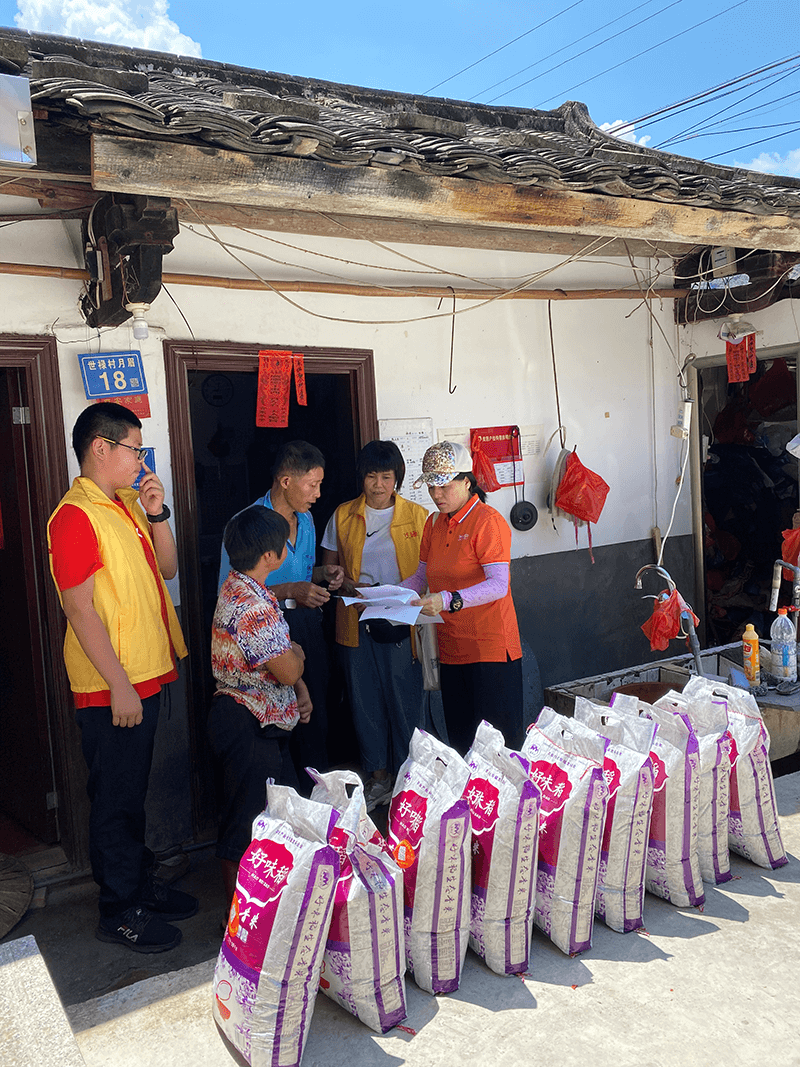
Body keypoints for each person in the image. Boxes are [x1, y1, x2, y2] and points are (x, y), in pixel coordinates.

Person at [47, 402, 196, 953]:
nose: (141, 460)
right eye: (134, 448)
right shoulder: (74, 517)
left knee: (133, 791)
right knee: (115, 798)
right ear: (101, 448)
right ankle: (118, 910)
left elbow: (168, 569)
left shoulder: (127, 505)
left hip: (146, 673)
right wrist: (119, 685)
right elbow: (79, 608)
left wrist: (157, 513)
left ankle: (139, 885)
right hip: (114, 684)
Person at [218, 441, 343, 791]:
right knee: (279, 723)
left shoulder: (307, 519)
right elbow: (231, 592)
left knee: (314, 714)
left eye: (320, 484)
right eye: (312, 485)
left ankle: (318, 799)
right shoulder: (248, 524)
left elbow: (302, 572)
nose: (318, 494)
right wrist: (290, 590)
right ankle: (289, 801)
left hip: (306, 627)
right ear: (286, 481)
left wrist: (322, 574)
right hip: (265, 634)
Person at [208, 505, 312, 912]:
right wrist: (298, 656)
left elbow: (282, 669)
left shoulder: (243, 587)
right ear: (271, 556)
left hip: (258, 718)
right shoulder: (251, 604)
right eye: (284, 544)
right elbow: (286, 668)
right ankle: (237, 916)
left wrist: (296, 678)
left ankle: (267, 907)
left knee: (274, 812)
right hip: (246, 721)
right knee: (246, 818)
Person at [321, 440, 429, 811]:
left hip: (401, 621)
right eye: (371, 476)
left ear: (397, 478)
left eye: (386, 477)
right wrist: (341, 581)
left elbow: (429, 570)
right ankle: (379, 778)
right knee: (365, 702)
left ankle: (409, 780)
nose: (379, 485)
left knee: (405, 700)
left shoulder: (418, 516)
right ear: (361, 478)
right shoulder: (343, 515)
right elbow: (329, 568)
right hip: (356, 620)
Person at [402, 440, 523, 755]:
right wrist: (387, 596)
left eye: (444, 486)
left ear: (467, 482)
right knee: (462, 745)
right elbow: (420, 578)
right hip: (451, 649)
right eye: (431, 487)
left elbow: (498, 585)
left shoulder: (488, 521)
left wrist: (446, 600)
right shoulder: (434, 524)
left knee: (497, 749)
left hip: (490, 651)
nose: (436, 494)